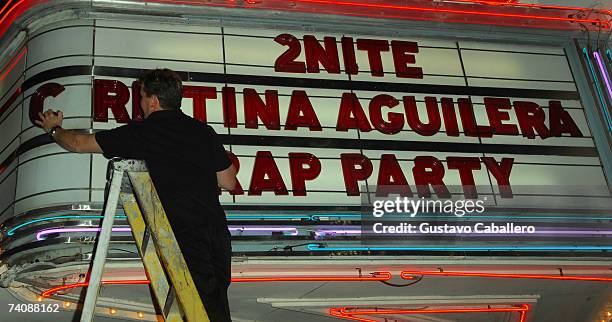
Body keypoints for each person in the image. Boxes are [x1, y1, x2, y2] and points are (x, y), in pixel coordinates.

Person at [35, 68, 236, 322]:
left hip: (183, 237)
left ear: (153, 100)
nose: (139, 103)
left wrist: (54, 129)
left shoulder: (145, 133)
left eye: (141, 96)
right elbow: (229, 181)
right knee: (216, 309)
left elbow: (78, 143)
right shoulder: (202, 131)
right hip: (217, 235)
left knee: (201, 312)